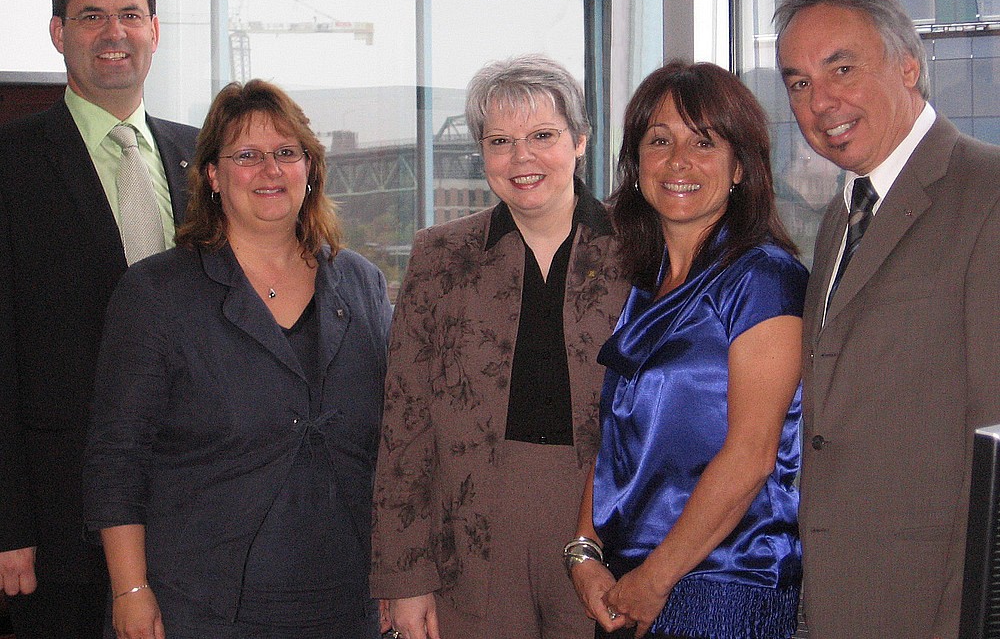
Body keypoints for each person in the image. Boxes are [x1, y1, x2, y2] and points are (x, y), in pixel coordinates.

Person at [82, 80, 392, 639]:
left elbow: (397, 441)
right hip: (199, 605)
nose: (270, 170)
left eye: (286, 152)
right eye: (246, 156)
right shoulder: (156, 293)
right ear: (212, 176)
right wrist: (130, 590)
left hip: (348, 601)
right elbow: (116, 459)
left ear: (310, 168)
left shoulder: (361, 284)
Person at [370, 55, 629, 639]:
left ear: (580, 140)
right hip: (470, 531)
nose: (521, 158)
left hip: (609, 523)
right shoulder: (440, 257)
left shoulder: (639, 250)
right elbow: (405, 423)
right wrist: (405, 578)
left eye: (543, 136)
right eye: (500, 141)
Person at [774, 0, 1000, 638]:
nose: (820, 102)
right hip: (843, 591)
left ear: (908, 66)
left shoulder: (987, 193)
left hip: (939, 600)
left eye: (841, 69)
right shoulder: (844, 212)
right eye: (798, 83)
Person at [570, 60, 808, 639]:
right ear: (636, 164)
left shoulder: (764, 279)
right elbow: (620, 439)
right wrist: (584, 552)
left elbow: (752, 456)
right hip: (630, 583)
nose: (679, 161)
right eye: (660, 141)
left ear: (740, 166)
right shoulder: (645, 286)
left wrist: (655, 579)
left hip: (723, 586)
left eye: (704, 142)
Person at [0, 0, 197, 638]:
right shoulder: (10, 162)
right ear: (59, 32)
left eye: (130, 15)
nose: (115, 33)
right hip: (60, 526)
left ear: (155, 30)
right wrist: (8, 523)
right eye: (92, 16)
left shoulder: (203, 159)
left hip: (194, 510)